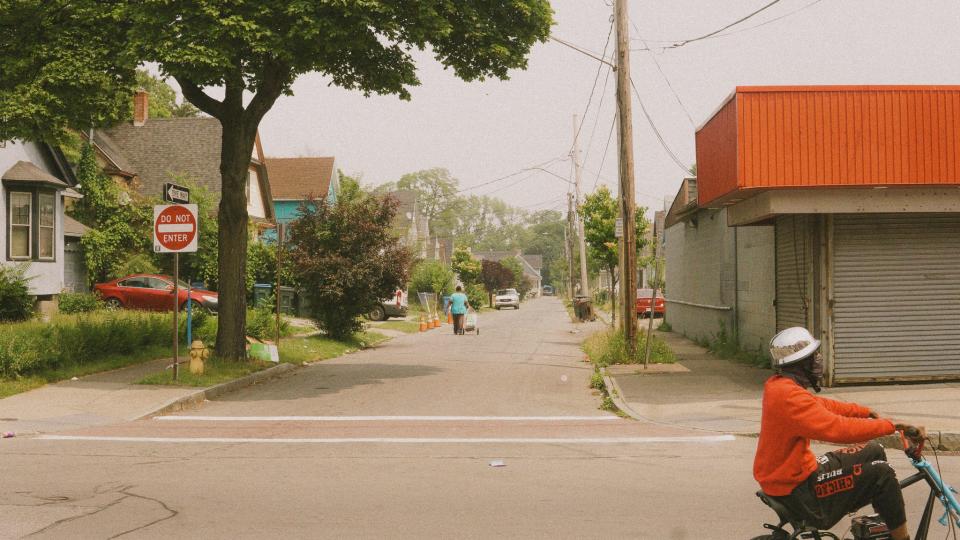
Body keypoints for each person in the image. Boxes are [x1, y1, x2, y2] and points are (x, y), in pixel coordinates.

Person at [754, 327, 924, 540]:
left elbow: (821, 404)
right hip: (799, 491)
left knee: (874, 450)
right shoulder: (788, 397)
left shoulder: (781, 387)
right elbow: (838, 428)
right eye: (812, 357)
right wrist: (892, 425)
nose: (818, 360)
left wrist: (865, 412)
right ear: (800, 364)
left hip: (793, 475)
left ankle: (884, 527)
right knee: (882, 473)